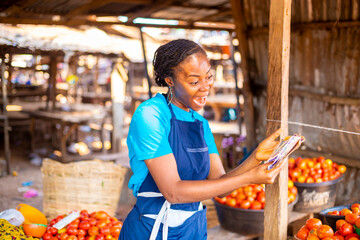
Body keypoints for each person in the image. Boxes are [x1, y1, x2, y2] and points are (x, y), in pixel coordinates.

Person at [120, 39, 285, 240]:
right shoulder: (151, 116)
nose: (205, 87)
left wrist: (255, 158)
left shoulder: (200, 123)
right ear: (169, 80)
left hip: (193, 229)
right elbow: (173, 192)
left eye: (208, 77)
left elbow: (220, 185)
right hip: (153, 230)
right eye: (194, 82)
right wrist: (249, 178)